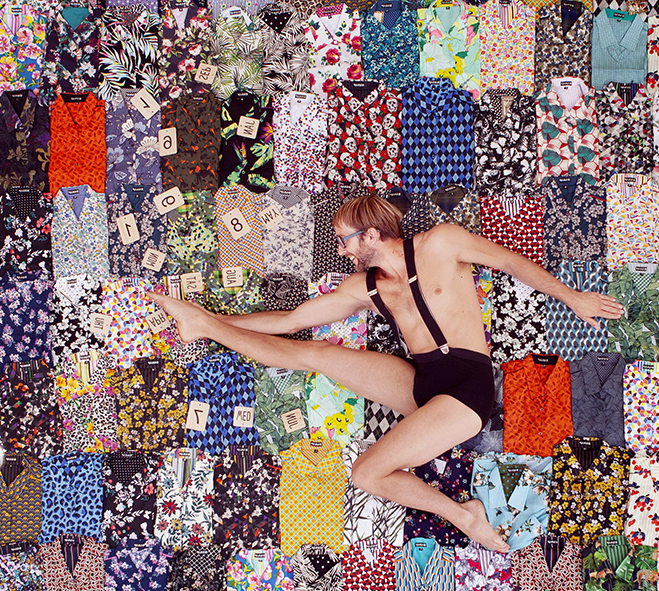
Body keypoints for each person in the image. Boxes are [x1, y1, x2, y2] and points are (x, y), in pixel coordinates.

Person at [148, 195, 624, 552]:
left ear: (371, 234)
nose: (342, 251)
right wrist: (216, 319)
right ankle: (203, 324)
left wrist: (573, 297)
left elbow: (510, 262)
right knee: (312, 352)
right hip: (422, 380)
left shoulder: (442, 242)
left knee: (367, 473)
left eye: (344, 240)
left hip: (467, 392)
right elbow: (290, 320)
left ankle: (465, 516)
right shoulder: (364, 286)